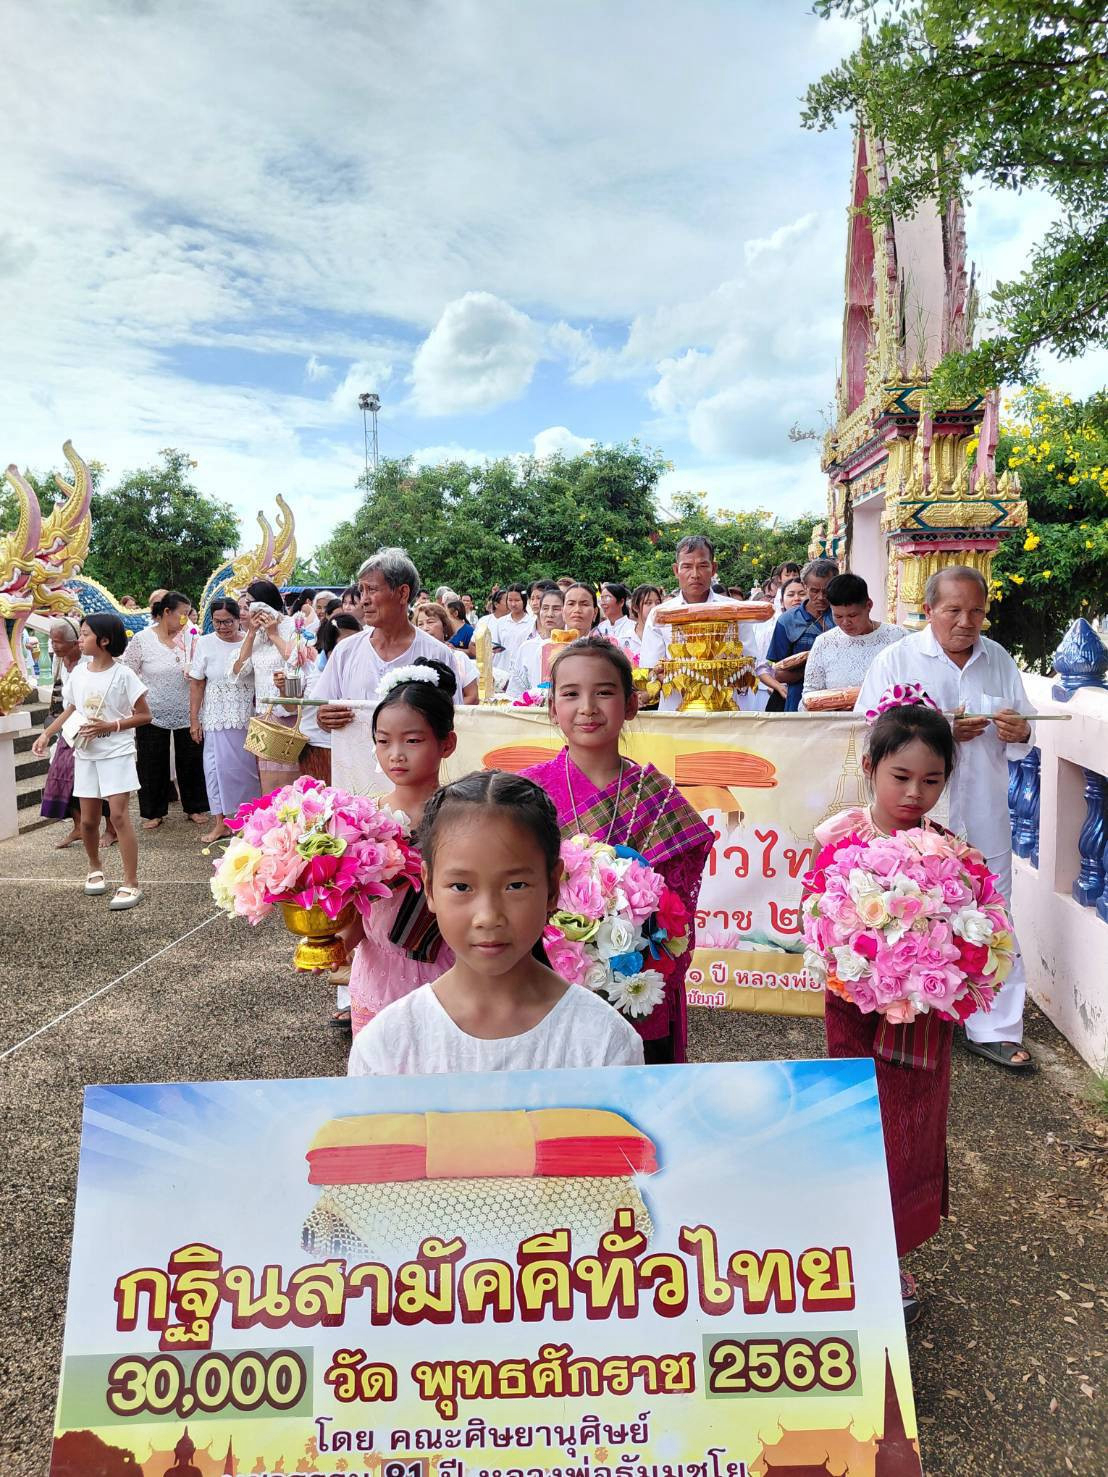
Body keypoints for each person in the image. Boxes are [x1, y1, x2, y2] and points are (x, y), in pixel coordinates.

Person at [815, 692, 966, 1324]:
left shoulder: (951, 853)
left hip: (922, 1025)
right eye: (901, 776)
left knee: (910, 1135)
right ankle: (849, 1251)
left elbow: (973, 937)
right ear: (870, 766)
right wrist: (868, 970)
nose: (914, 794)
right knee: (859, 1127)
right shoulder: (837, 841)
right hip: (855, 1014)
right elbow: (820, 925)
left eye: (931, 781)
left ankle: (891, 1256)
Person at [855, 566, 1035, 1070]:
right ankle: (908, 1010)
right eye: (953, 610)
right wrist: (939, 732)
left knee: (993, 916)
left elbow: (1026, 730)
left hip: (983, 813)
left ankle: (995, 1028)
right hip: (914, 816)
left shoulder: (998, 660)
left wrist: (1021, 732)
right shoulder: (897, 659)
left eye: (976, 611)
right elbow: (870, 732)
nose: (965, 621)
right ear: (928, 609)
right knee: (907, 912)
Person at [348, 770, 644, 1076]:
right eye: (461, 886)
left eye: (515, 886)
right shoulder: (387, 1046)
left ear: (552, 888)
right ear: (429, 886)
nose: (488, 916)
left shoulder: (603, 1042)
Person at [521, 637, 714, 1064]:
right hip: (545, 978)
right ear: (552, 708)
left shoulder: (658, 797)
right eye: (571, 694)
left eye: (604, 692)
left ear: (630, 705)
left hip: (636, 983)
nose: (587, 707)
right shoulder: (525, 794)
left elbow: (676, 915)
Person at [343, 660, 460, 1034]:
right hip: (376, 975)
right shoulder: (362, 818)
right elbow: (357, 911)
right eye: (383, 741)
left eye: (412, 740)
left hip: (448, 973)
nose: (395, 753)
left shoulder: (464, 818)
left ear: (446, 743)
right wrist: (333, 942)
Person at [32, 613, 151, 911]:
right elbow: (71, 709)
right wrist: (46, 733)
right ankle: (95, 867)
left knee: (119, 816)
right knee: (87, 820)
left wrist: (111, 726)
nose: (81, 639)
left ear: (105, 640)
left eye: (85, 634)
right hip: (85, 752)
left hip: (117, 752)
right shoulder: (79, 674)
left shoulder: (124, 675)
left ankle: (131, 882)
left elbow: (144, 715)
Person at [313, 549, 475, 748]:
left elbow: (451, 720)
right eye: (362, 590)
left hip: (414, 768)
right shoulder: (345, 651)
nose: (363, 600)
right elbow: (319, 708)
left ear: (402, 593)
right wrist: (324, 718)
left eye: (372, 589)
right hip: (353, 764)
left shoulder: (437, 654)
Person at [639, 535, 765, 712]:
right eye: (687, 566)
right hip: (677, 709)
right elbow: (651, 667)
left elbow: (750, 661)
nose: (695, 574)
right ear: (676, 570)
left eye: (703, 566)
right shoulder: (660, 615)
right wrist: (684, 681)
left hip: (726, 708)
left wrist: (716, 676)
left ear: (713, 568)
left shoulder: (734, 611)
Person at [122, 591, 209, 830]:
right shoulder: (142, 639)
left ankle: (195, 806)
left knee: (192, 758)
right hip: (152, 710)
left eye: (188, 614)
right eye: (182, 614)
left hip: (188, 708)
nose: (186, 620)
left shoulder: (192, 637)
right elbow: (128, 673)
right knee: (151, 761)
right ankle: (153, 811)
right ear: (166, 612)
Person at [38, 617, 116, 850]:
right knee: (63, 774)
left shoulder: (91, 663)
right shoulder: (60, 661)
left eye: (58, 642)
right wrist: (47, 733)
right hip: (70, 727)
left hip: (95, 727)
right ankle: (79, 826)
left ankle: (112, 829)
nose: (54, 646)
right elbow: (66, 703)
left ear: (74, 643)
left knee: (101, 780)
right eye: (52, 641)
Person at [188, 597, 260, 844]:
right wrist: (194, 719)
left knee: (242, 771)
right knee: (213, 769)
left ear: (238, 619)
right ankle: (221, 823)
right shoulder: (205, 643)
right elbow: (197, 683)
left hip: (243, 717)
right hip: (213, 716)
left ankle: (248, 822)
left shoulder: (251, 641)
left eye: (228, 621)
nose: (222, 627)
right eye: (217, 622)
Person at [232, 578, 304, 793]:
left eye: (250, 604)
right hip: (265, 715)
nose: (247, 610)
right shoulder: (254, 633)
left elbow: (296, 660)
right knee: (268, 781)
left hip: (290, 712)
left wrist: (273, 634)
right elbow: (239, 669)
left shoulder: (292, 626)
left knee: (291, 780)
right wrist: (252, 634)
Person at [800, 573, 906, 710]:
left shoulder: (898, 638)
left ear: (869, 605)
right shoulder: (824, 643)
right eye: (838, 616)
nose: (845, 623)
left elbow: (912, 687)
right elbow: (810, 696)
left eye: (852, 615)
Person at [764, 559, 837, 711]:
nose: (821, 597)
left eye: (827, 591)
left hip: (839, 701)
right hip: (799, 702)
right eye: (814, 591)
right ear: (805, 586)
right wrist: (815, 668)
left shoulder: (842, 617)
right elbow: (778, 673)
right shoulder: (787, 621)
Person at [756, 575, 805, 711]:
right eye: (791, 594)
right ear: (782, 601)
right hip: (783, 695)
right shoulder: (771, 629)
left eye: (802, 594)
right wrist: (777, 686)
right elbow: (762, 667)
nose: (797, 598)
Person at [506, 585, 565, 700]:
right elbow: (515, 692)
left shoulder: (574, 647)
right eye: (545, 608)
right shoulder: (527, 647)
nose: (549, 614)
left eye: (556, 609)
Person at [414, 602, 479, 700]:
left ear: (444, 625)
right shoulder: (414, 657)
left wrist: (445, 709)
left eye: (430, 622)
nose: (425, 628)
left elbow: (472, 696)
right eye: (420, 624)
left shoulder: (459, 658)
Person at [623, 584, 663, 666]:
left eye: (658, 603)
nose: (654, 607)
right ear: (635, 607)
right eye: (648, 603)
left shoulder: (664, 635)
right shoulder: (624, 637)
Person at [495, 584, 535, 659]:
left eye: (517, 600)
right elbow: (495, 645)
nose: (513, 604)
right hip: (503, 665)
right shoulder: (501, 622)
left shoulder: (532, 623)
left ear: (524, 600)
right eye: (510, 600)